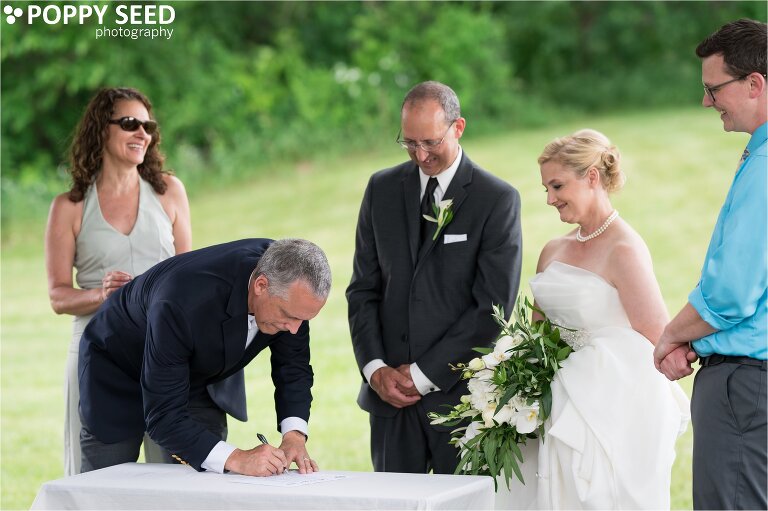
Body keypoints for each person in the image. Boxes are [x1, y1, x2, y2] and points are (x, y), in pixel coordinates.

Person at [346, 81, 522, 474]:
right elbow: (362, 291)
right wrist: (375, 370)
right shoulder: (381, 189)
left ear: (458, 128)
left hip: (461, 401)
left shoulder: (496, 199)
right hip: (389, 403)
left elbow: (492, 308)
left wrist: (422, 375)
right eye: (409, 143)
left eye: (430, 142)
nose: (420, 154)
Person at [527, 129, 689, 509]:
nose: (550, 199)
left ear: (592, 177)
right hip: (552, 403)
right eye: (546, 189)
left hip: (607, 408)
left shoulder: (623, 249)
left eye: (557, 186)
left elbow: (657, 337)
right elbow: (536, 332)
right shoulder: (552, 250)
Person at [78, 238, 330, 476]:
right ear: (260, 286)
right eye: (290, 316)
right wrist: (239, 458)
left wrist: (294, 435)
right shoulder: (182, 300)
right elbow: (164, 416)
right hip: (119, 373)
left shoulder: (290, 290)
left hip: (197, 379)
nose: (295, 330)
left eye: (303, 319)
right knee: (106, 487)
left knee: (202, 485)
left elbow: (293, 368)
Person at [44, 87, 192, 476]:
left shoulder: (170, 192)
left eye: (148, 126)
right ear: (101, 129)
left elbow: (188, 278)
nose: (142, 133)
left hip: (162, 353)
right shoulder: (69, 206)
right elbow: (58, 296)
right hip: (97, 355)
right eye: (130, 123)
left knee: (176, 478)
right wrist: (102, 294)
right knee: (94, 479)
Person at [653, 18, 767, 510]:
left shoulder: (765, 166)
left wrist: (672, 336)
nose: (706, 101)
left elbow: (731, 292)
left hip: (746, 387)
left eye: (714, 88)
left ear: (755, 84)